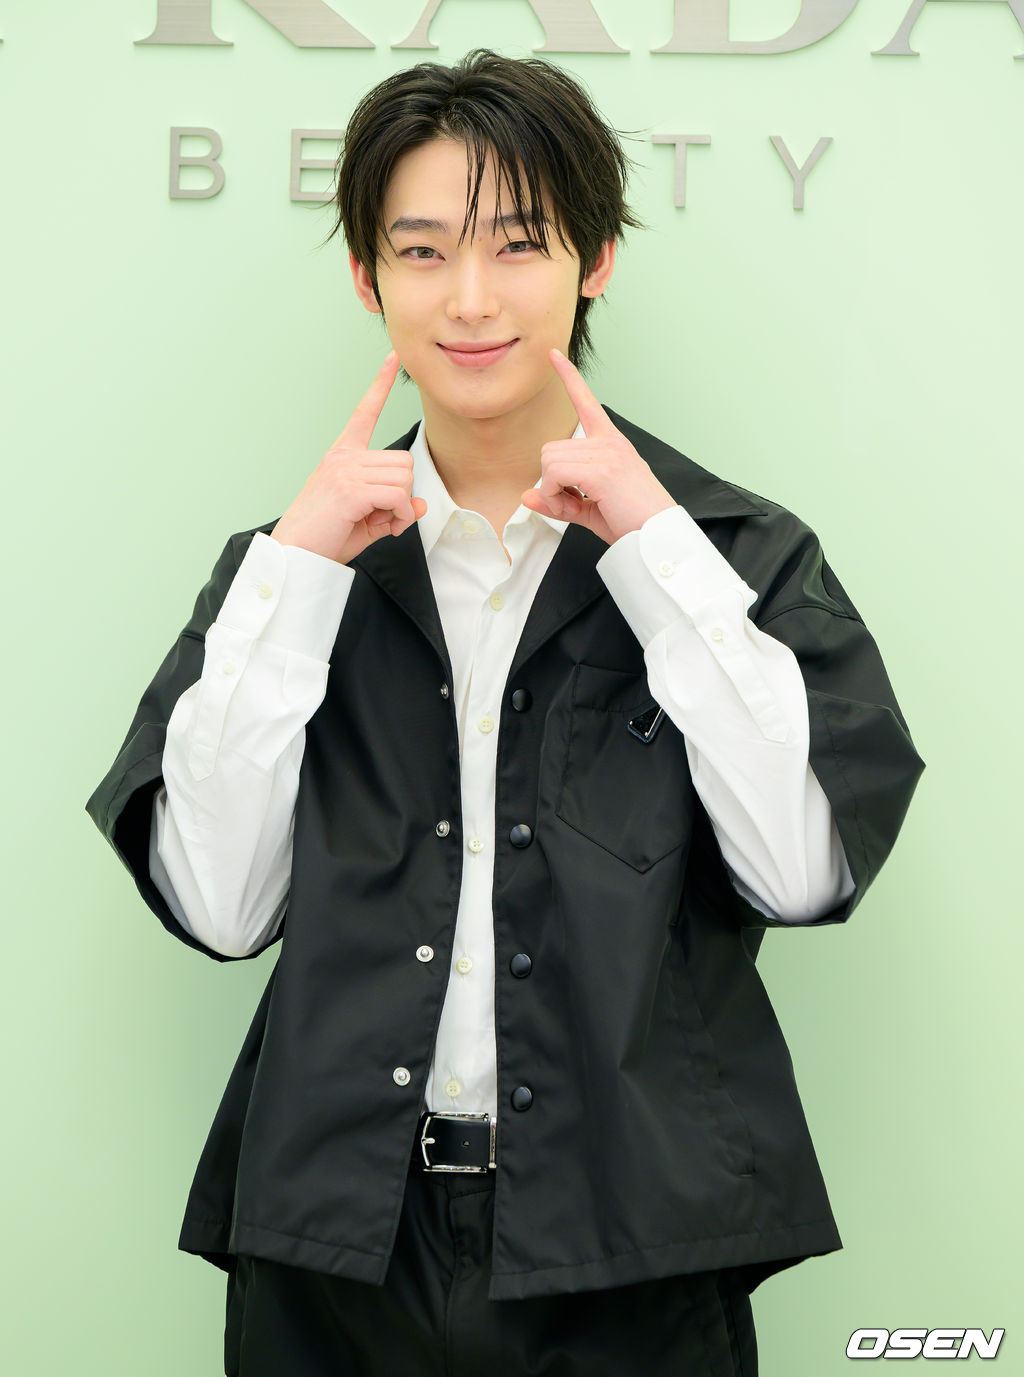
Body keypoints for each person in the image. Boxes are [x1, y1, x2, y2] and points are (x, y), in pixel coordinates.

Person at [86, 48, 925, 1377]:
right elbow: (219, 909)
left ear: (595, 260)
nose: (471, 299)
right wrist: (294, 579)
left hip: (632, 1250)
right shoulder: (285, 573)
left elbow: (805, 871)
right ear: (368, 279)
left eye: (519, 244)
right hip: (334, 1257)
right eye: (422, 252)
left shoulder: (733, 556)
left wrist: (655, 554)